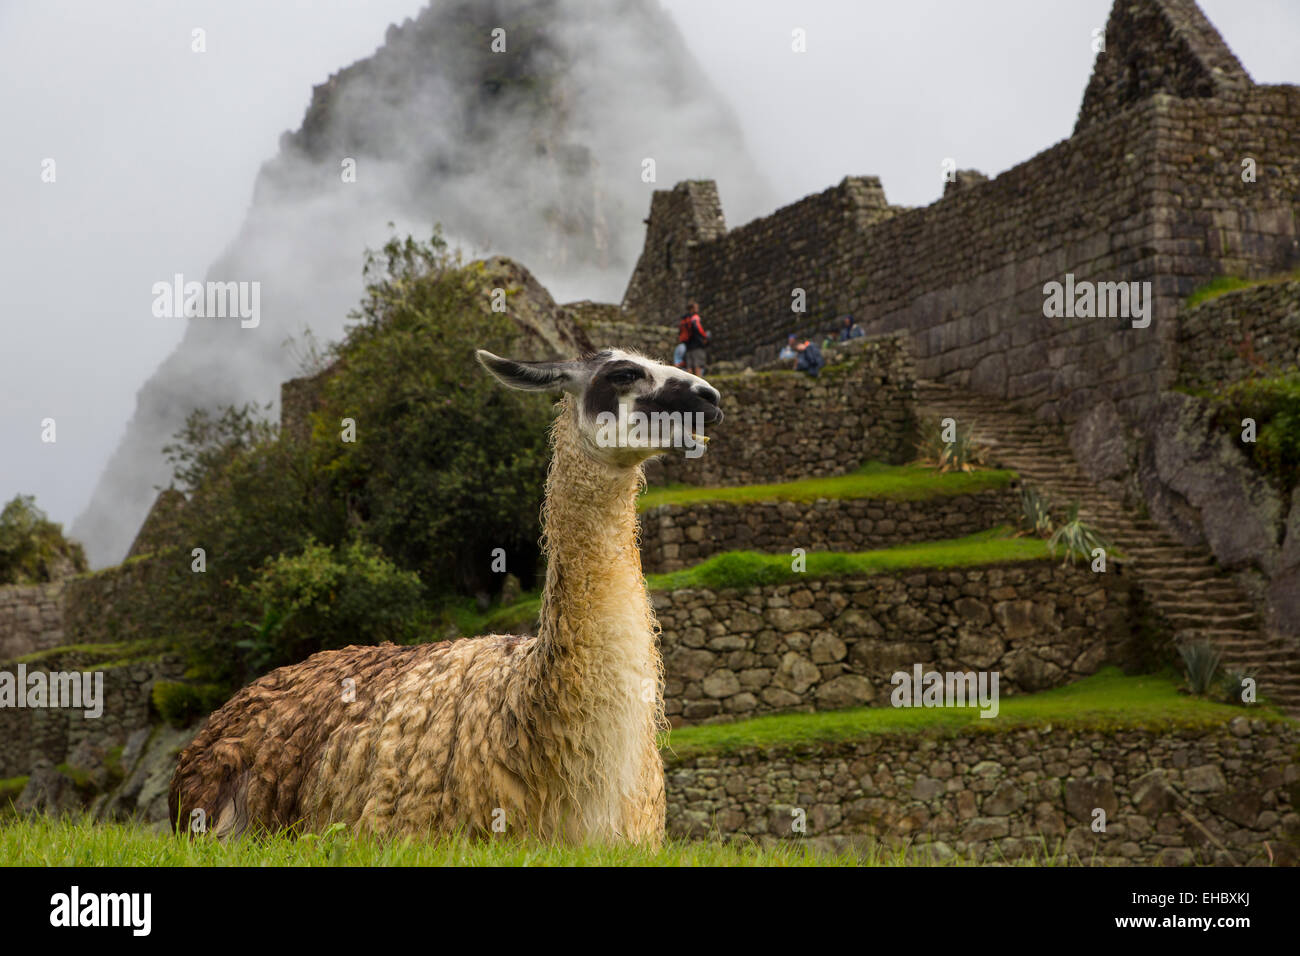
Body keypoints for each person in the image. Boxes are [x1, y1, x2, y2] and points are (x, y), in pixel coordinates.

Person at [677, 301, 710, 376]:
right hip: (697, 346)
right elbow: (698, 328)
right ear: (692, 309)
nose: (697, 309)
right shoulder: (695, 317)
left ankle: (688, 385)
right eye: (696, 307)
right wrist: (704, 337)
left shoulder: (684, 319)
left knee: (689, 367)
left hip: (688, 346)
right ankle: (699, 384)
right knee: (697, 366)